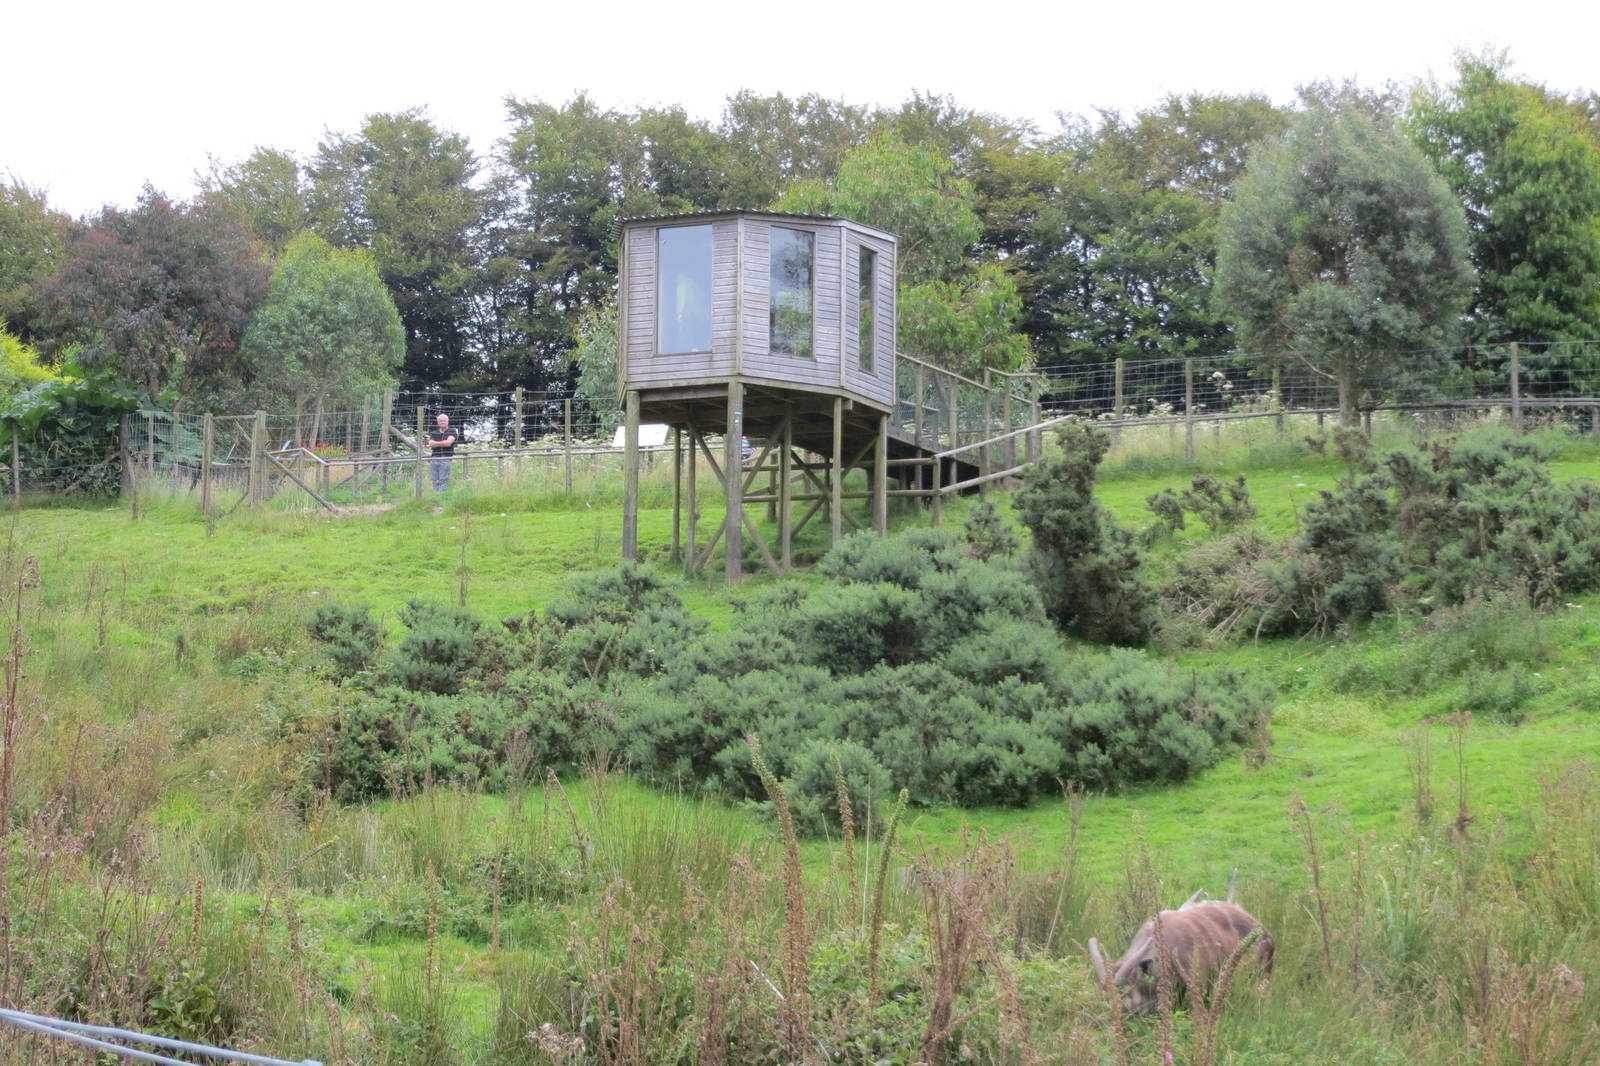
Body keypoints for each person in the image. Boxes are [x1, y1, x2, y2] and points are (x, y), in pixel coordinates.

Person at [427, 413, 456, 492]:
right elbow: (430, 444)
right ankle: (435, 496)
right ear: (438, 422)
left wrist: (436, 443)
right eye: (440, 421)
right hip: (434, 458)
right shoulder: (434, 433)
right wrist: (443, 442)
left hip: (445, 458)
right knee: (434, 480)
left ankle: (441, 496)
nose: (442, 422)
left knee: (443, 479)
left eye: (444, 420)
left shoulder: (452, 431)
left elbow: (448, 443)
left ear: (447, 421)